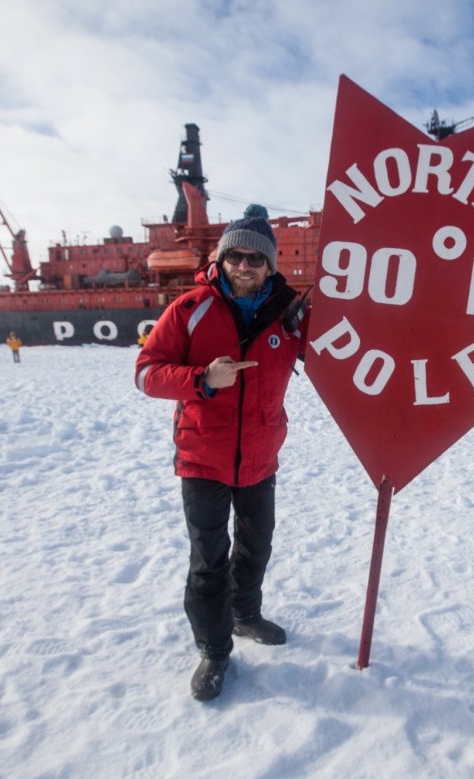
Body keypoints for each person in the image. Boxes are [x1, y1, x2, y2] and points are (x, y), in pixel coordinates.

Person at [135, 204, 309, 701]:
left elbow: (340, 352)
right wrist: (201, 380)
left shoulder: (292, 316)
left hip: (260, 457)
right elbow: (146, 373)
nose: (245, 266)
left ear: (270, 266)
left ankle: (245, 614)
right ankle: (214, 649)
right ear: (222, 258)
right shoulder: (190, 309)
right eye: (237, 256)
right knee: (209, 559)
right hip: (202, 460)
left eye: (257, 259)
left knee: (256, 548)